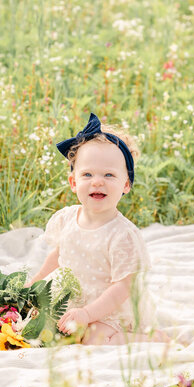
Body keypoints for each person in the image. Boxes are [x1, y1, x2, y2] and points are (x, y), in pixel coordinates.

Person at [27, 113, 170, 346]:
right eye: (87, 174)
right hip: (73, 301)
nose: (97, 182)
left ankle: (145, 339)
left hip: (110, 309)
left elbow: (123, 287)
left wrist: (88, 314)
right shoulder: (67, 218)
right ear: (73, 183)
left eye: (109, 175)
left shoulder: (122, 235)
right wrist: (34, 283)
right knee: (42, 325)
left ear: (126, 185)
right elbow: (58, 255)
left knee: (93, 339)